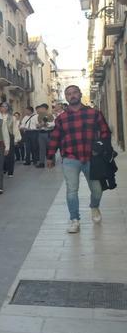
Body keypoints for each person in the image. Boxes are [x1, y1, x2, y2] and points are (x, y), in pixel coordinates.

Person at [46, 85, 111, 234]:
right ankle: (75, 219)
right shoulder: (61, 118)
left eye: (75, 92)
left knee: (97, 190)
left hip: (92, 158)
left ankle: (94, 206)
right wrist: (50, 156)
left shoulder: (94, 113)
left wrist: (102, 148)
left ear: (80, 94)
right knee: (71, 190)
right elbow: (55, 137)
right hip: (70, 158)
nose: (72, 95)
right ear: (66, 97)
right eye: (68, 94)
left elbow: (105, 132)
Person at [0, 102, 21, 178]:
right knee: (1, 154)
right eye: (2, 106)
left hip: (10, 136)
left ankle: (10, 171)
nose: (4, 108)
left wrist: (16, 139)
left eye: (6, 106)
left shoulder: (12, 117)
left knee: (10, 154)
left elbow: (15, 128)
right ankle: (3, 169)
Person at [33, 104, 55, 169]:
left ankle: (52, 162)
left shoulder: (51, 115)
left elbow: (53, 124)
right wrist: (39, 125)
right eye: (39, 108)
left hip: (48, 133)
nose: (40, 110)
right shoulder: (37, 116)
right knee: (41, 149)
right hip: (40, 133)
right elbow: (36, 125)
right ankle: (41, 163)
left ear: (45, 109)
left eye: (41, 108)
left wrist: (45, 124)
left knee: (51, 148)